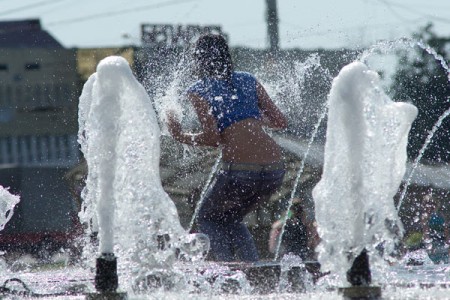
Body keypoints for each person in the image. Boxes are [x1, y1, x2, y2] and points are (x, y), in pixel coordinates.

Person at [167, 34, 287, 262]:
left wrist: (179, 134)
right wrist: (251, 119)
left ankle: (223, 272)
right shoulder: (249, 80)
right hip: (274, 170)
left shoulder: (199, 89)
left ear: (199, 59)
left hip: (241, 171)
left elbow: (213, 138)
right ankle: (253, 269)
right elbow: (280, 122)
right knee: (231, 219)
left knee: (208, 218)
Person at [421, 194, 449, 264]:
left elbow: (446, 230)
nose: (429, 207)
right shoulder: (425, 217)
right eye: (427, 205)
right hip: (432, 241)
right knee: (434, 259)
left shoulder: (441, 215)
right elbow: (425, 232)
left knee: (444, 259)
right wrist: (428, 244)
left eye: (432, 205)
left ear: (436, 206)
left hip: (441, 240)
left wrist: (448, 241)